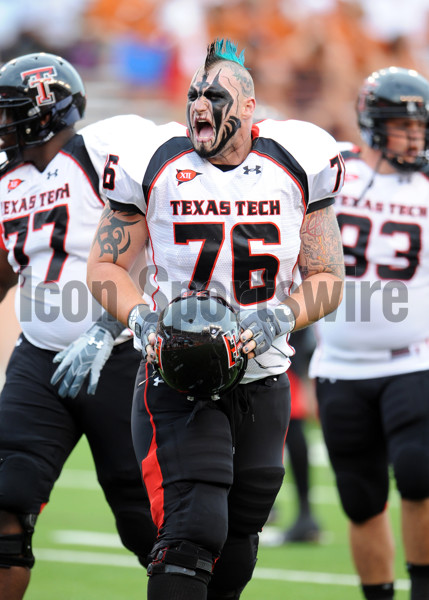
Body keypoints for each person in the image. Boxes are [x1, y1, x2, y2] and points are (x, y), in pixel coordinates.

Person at [86, 38, 345, 600]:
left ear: (248, 106)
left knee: (238, 545)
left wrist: (279, 318)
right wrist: (142, 321)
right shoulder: (155, 160)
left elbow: (327, 279)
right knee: (191, 532)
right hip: (176, 372)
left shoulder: (297, 159)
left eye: (214, 94)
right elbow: (105, 267)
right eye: (193, 94)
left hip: (262, 373)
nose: (199, 104)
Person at [0, 52, 156, 600]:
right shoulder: (8, 182)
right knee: (4, 500)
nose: (1, 124)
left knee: (147, 520)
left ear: (45, 109)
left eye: (9, 111)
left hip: (121, 355)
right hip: (39, 358)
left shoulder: (106, 149)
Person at [309, 66, 429, 600]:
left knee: (420, 477)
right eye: (403, 126)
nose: (415, 137)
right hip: (338, 363)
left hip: (413, 358)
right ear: (372, 123)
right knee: (361, 499)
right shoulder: (334, 170)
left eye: (420, 127)